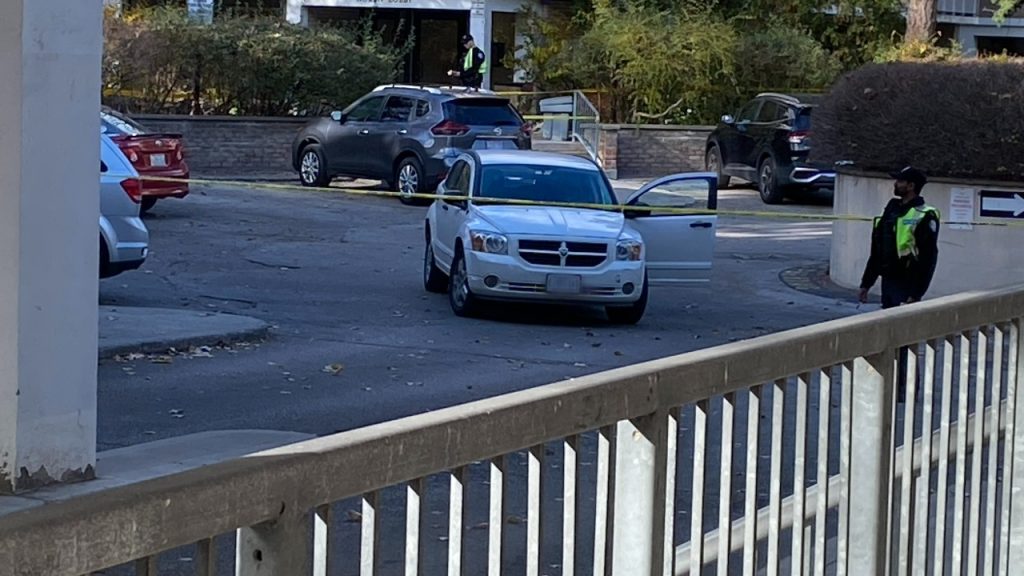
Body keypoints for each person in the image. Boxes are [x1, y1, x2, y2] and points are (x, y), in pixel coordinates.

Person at [858, 166, 941, 309]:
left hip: (907, 282)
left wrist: (916, 294)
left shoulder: (925, 215)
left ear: (911, 186)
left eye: (900, 181)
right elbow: (878, 250)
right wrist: (866, 283)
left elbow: (928, 258)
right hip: (888, 280)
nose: (895, 184)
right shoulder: (892, 208)